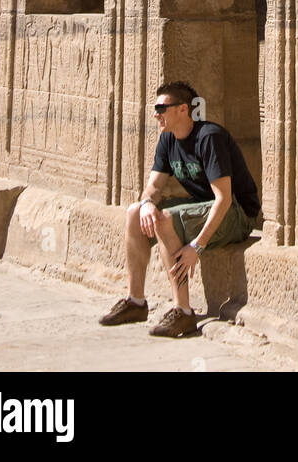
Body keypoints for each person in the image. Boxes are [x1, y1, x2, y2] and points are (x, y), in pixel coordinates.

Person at [99, 81, 260, 338]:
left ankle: (184, 311)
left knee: (165, 219)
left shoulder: (209, 137)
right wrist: (148, 203)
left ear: (183, 109)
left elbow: (224, 199)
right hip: (203, 208)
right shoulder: (167, 140)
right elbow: (153, 186)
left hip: (237, 215)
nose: (156, 113)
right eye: (155, 108)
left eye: (162, 108)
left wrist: (196, 246)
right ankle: (136, 301)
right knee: (134, 212)